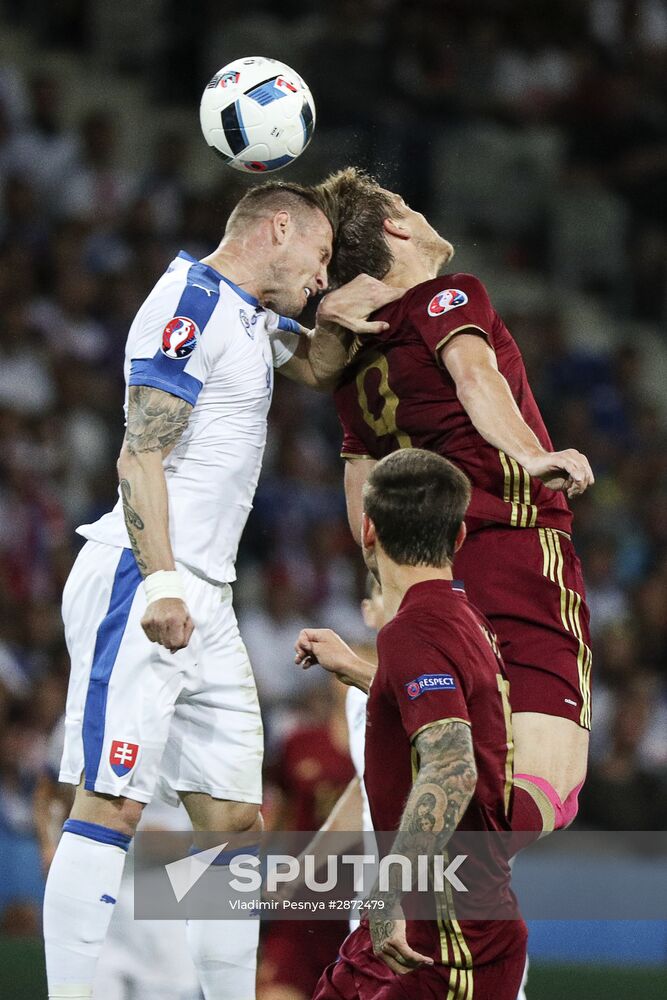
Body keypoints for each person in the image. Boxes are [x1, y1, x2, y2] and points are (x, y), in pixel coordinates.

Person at [43, 179, 401, 1000]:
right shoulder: (189, 306)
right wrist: (162, 582)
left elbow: (309, 362)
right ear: (277, 229)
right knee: (113, 804)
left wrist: (340, 319)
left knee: (236, 826)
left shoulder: (248, 314)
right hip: (141, 577)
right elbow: (140, 455)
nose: (319, 276)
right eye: (317, 256)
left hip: (208, 593)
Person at [314, 167, 595, 843]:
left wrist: (381, 577)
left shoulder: (356, 367)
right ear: (396, 225)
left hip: (429, 580)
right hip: (515, 550)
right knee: (544, 797)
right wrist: (528, 455)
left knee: (441, 755)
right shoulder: (445, 296)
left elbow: (360, 476)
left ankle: (297, 886)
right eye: (406, 202)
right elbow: (475, 376)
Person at [295, 449, 527, 999]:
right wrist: (355, 670)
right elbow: (441, 708)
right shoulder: (463, 618)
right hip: (422, 928)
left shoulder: (413, 632)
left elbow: (452, 766)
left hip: (449, 940)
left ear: (368, 530)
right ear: (460, 537)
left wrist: (388, 890)